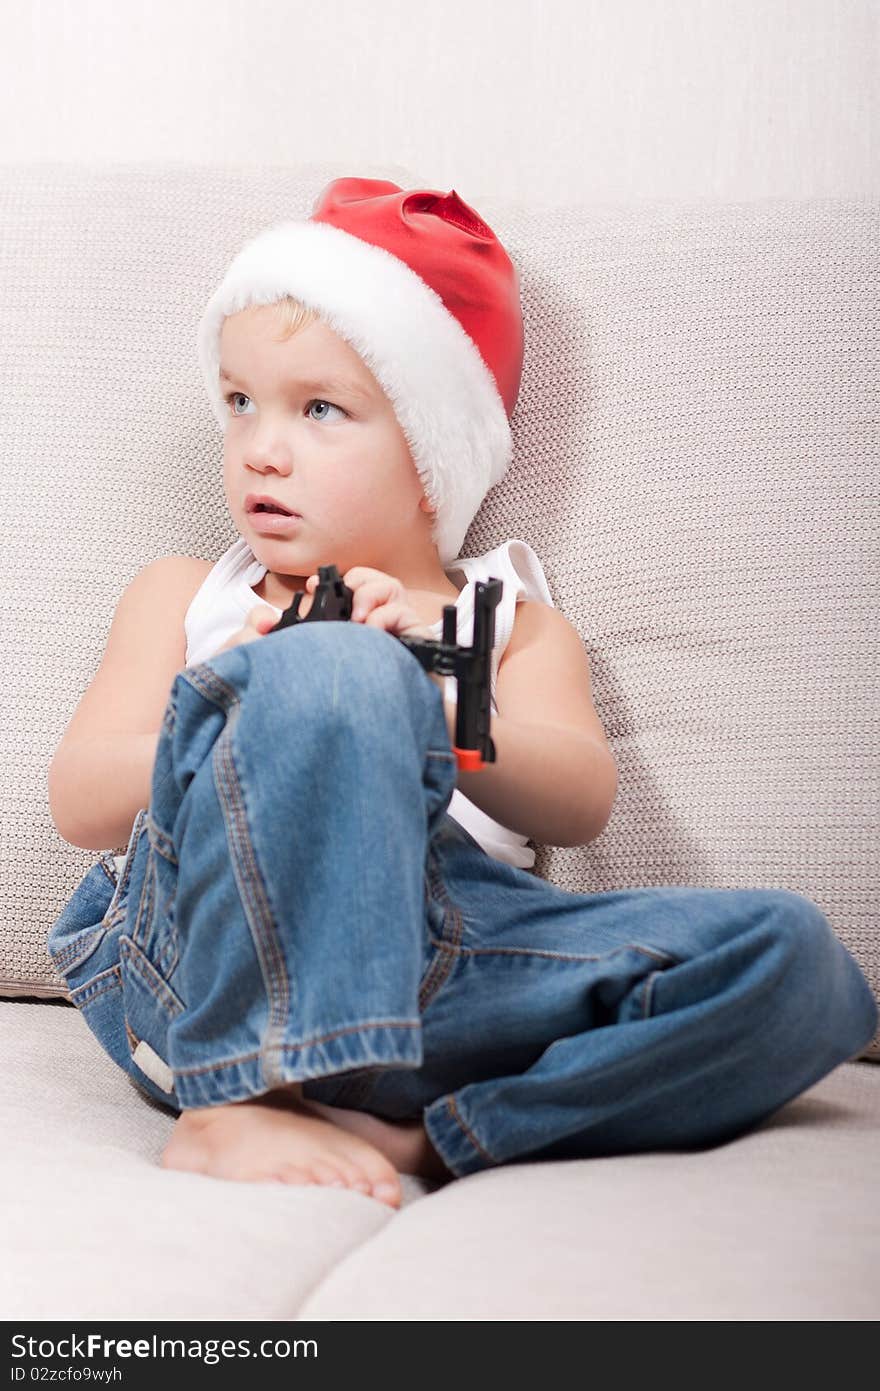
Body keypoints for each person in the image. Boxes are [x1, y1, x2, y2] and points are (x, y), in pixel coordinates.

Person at [46, 178, 878, 1212]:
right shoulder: (188, 592)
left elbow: (578, 801)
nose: (261, 444)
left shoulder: (508, 618)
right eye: (239, 401)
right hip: (208, 946)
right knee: (324, 671)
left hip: (448, 958)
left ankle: (429, 1139)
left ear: (434, 457)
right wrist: (248, 701)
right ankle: (233, 1090)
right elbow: (82, 798)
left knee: (801, 965)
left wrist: (431, 699)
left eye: (318, 409)